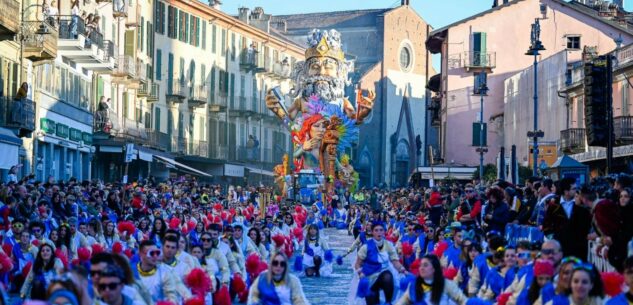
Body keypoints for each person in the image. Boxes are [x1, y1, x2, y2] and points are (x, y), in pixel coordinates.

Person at [354, 222, 407, 305]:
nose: (379, 232)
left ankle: (388, 302)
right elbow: (357, 264)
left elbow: (395, 262)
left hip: (384, 277)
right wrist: (360, 273)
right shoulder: (365, 247)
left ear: (384, 232)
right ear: (372, 232)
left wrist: (403, 270)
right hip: (370, 278)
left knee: (387, 275)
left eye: (381, 230)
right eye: (376, 230)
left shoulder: (389, 245)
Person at [543, 178, 591, 261]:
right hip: (560, 249)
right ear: (566, 191)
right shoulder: (553, 205)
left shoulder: (581, 204)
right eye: (573, 189)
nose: (576, 191)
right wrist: (554, 239)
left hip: (578, 249)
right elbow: (546, 225)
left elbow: (587, 225)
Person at [395, 254, 468, 305]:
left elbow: (463, 300)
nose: (421, 268)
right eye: (420, 265)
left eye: (425, 265)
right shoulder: (413, 286)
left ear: (434, 269)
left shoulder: (446, 284)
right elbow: (401, 302)